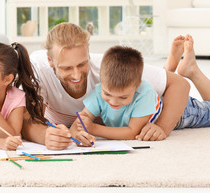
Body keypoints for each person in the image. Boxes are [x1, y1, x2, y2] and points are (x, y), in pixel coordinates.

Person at [21, 22, 190, 150]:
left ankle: (185, 70)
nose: (76, 75)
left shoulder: (107, 67)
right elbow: (26, 120)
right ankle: (169, 67)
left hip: (152, 106)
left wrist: (161, 127)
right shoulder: (38, 68)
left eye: (82, 64)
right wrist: (45, 136)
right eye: (66, 68)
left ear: (88, 52)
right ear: (50, 60)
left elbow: (180, 84)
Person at [70, 46, 163, 144]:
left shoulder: (145, 93)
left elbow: (132, 133)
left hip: (172, 116)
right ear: (101, 81)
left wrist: (93, 128)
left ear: (137, 86)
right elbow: (78, 123)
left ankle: (170, 67)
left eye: (123, 97)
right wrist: (78, 135)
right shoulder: (98, 91)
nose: (113, 102)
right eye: (107, 94)